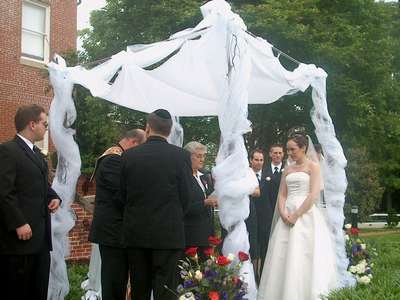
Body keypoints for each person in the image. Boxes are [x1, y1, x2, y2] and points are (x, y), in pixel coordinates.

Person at [120, 109, 193, 300]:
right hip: (168, 234)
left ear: (148, 127)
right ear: (169, 131)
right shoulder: (181, 156)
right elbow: (187, 195)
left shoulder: (129, 156)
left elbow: (122, 196)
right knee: (167, 291)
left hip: (137, 234)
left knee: (139, 290)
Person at [258, 133, 337, 300]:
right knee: (282, 255)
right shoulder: (287, 169)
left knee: (305, 253)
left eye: (292, 149)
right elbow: (282, 194)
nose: (289, 153)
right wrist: (283, 212)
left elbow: (314, 194)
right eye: (288, 150)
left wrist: (296, 215)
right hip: (286, 214)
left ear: (303, 148)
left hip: (305, 214)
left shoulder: (313, 167)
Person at [0, 104, 61, 300]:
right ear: (32, 124)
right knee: (18, 291)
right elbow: (4, 191)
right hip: (19, 241)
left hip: (40, 238)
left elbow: (40, 184)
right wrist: (18, 222)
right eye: (45, 123)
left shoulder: (37, 154)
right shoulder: (8, 151)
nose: (47, 128)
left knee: (38, 290)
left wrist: (53, 196)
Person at [89, 129, 146, 300]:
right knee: (114, 282)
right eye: (141, 147)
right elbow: (124, 193)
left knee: (120, 280)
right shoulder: (112, 160)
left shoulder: (118, 158)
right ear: (134, 143)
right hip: (113, 232)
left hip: (119, 231)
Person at [183, 141, 216, 261]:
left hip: (206, 234)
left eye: (204, 156)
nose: (202, 159)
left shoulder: (203, 177)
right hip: (191, 235)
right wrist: (205, 203)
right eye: (198, 156)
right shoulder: (184, 177)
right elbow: (183, 207)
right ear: (188, 156)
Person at [255, 144, 284, 273]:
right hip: (265, 216)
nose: (277, 155)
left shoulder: (288, 170)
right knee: (265, 248)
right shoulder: (263, 171)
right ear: (270, 154)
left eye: (280, 153)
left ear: (283, 154)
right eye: (275, 153)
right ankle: (262, 276)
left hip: (283, 215)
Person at [247, 149, 263, 279]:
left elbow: (257, 192)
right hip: (246, 214)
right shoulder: (245, 172)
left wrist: (242, 189)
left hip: (261, 215)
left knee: (257, 245)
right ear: (250, 160)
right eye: (256, 159)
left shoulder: (266, 174)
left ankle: (257, 276)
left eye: (261, 160)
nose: (258, 162)